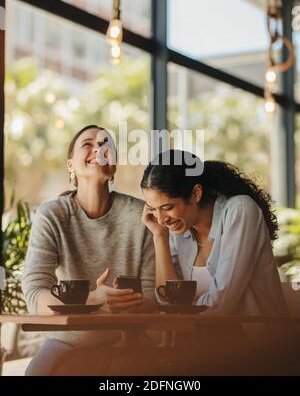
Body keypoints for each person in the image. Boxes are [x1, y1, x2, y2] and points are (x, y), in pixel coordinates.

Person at [21, 125, 155, 375]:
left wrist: (125, 304)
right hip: (67, 340)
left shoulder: (141, 215)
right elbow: (35, 288)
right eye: (88, 144)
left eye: (107, 145)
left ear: (113, 165)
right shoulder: (52, 215)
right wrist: (89, 302)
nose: (99, 149)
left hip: (129, 339)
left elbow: (152, 294)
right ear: (70, 164)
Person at [141, 149, 288, 316]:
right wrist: (159, 236)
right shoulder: (179, 229)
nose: (161, 220)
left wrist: (182, 307)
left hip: (261, 340)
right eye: (153, 209)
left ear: (195, 194)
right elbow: (167, 300)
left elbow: (220, 305)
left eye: (168, 207)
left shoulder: (240, 210)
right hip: (206, 340)